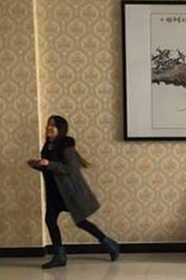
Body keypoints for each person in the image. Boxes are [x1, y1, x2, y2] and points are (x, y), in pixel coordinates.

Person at [27, 115, 120, 269]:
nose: (49, 127)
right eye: (48, 125)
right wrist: (38, 165)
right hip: (54, 192)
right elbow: (51, 169)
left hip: (68, 192)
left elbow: (71, 168)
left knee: (80, 221)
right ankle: (60, 256)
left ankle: (109, 244)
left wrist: (49, 164)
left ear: (61, 129)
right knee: (50, 220)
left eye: (53, 125)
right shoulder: (48, 146)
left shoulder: (66, 146)